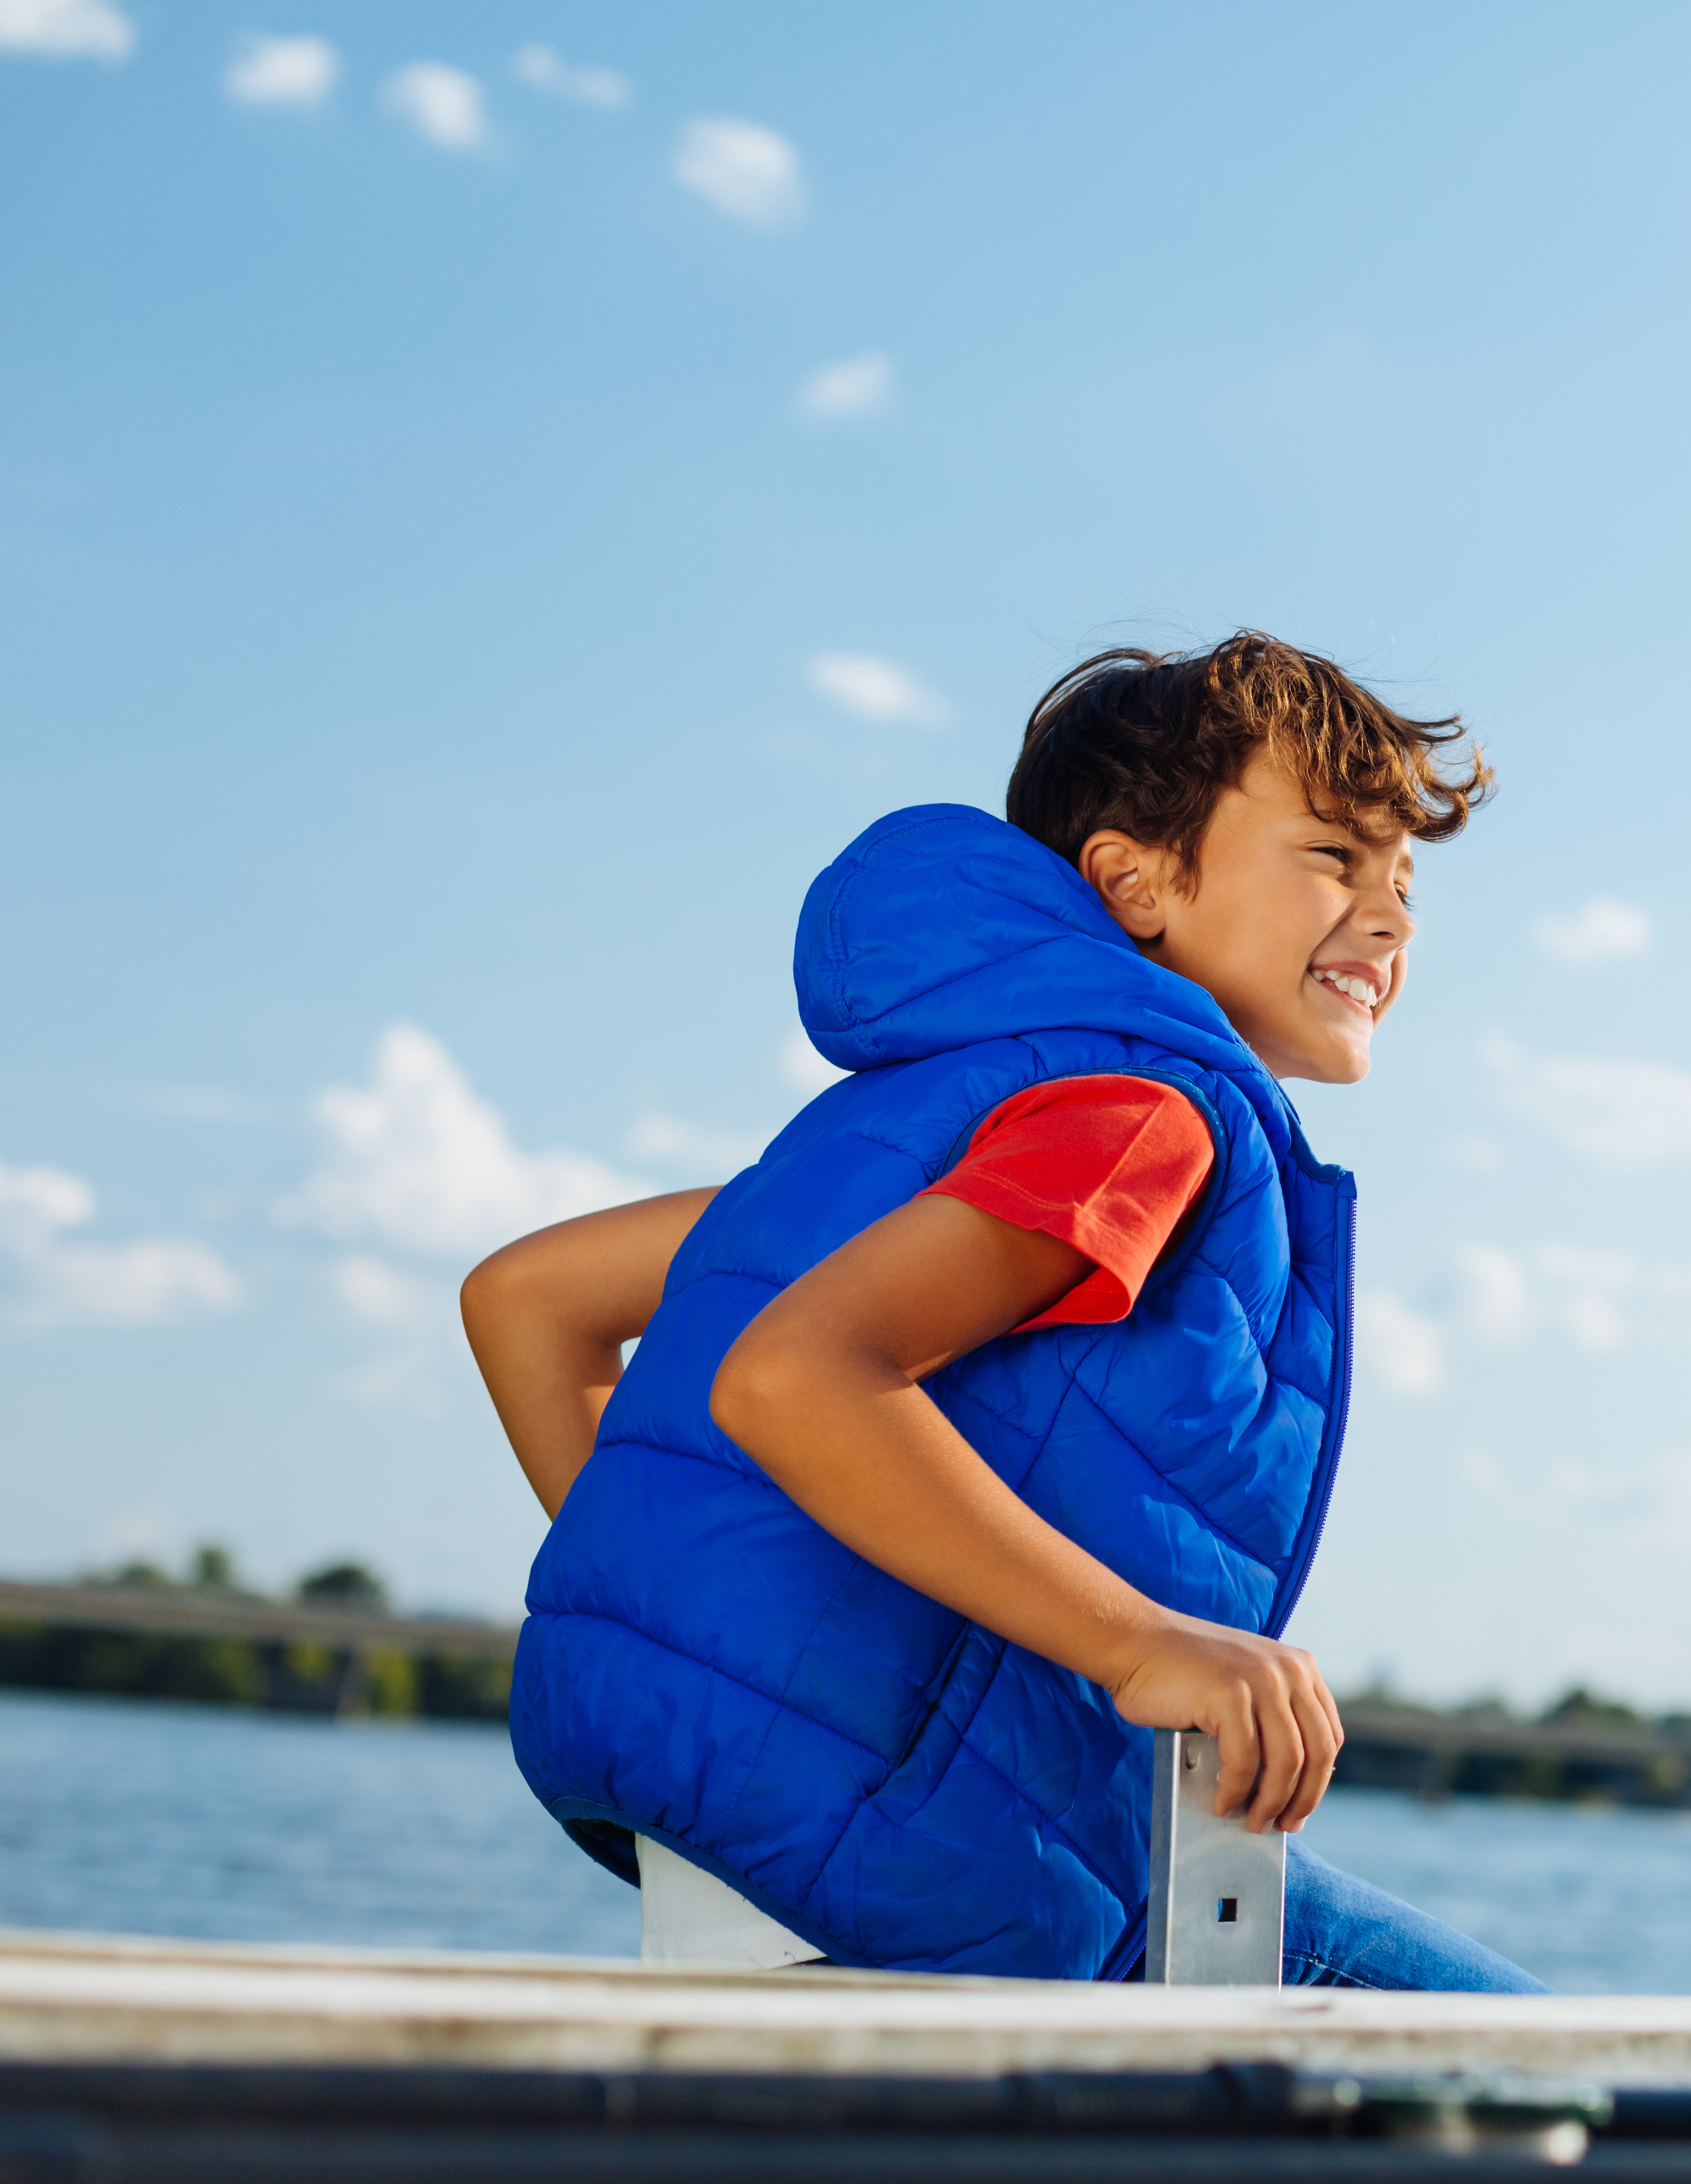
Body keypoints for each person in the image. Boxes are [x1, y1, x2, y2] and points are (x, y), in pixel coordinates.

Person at [459, 632, 1538, 1990]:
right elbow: (794, 1379)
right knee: (1579, 2085)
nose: (1390, 920)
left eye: (1405, 881)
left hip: (746, 1845)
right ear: (1132, 879)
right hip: (916, 1849)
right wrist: (1143, 1643)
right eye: (1332, 855)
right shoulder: (1143, 1121)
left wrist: (748, 1626)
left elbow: (527, 1300)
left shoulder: (923, 1129)